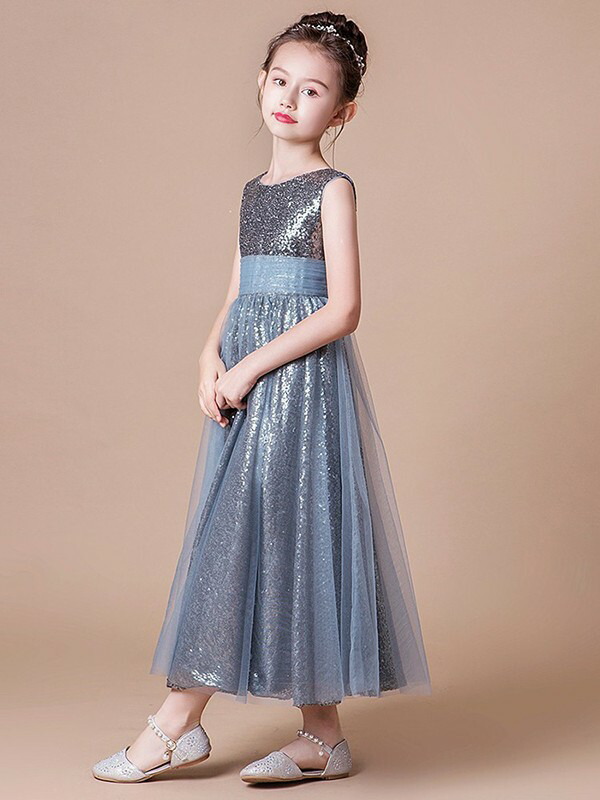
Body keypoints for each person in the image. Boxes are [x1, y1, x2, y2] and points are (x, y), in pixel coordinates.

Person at [92, 10, 432, 785]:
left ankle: (176, 724)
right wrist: (209, 354)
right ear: (259, 82)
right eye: (280, 81)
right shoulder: (253, 191)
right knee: (278, 537)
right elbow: (239, 288)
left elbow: (343, 309)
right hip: (244, 375)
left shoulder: (332, 189)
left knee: (258, 534)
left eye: (311, 90)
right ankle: (324, 737)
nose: (288, 98)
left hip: (298, 384)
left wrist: (249, 370)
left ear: (342, 111)